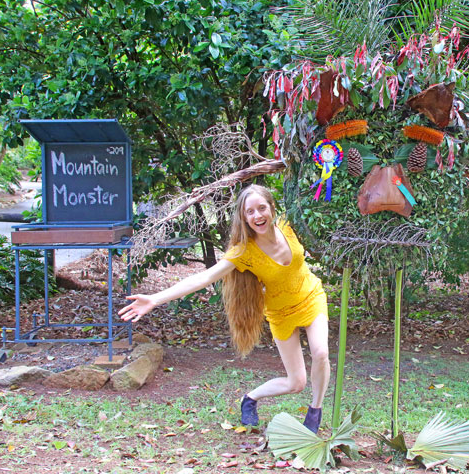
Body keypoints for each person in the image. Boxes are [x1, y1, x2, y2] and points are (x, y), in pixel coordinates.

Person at [118, 185, 330, 433]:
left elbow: (313, 195)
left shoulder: (287, 224)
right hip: (280, 312)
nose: (257, 216)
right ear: (243, 217)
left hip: (311, 296)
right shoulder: (244, 251)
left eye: (262, 208)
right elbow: (203, 279)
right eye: (249, 212)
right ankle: (249, 399)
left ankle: (315, 413)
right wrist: (155, 299)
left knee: (321, 353)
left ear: (272, 208)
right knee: (296, 383)